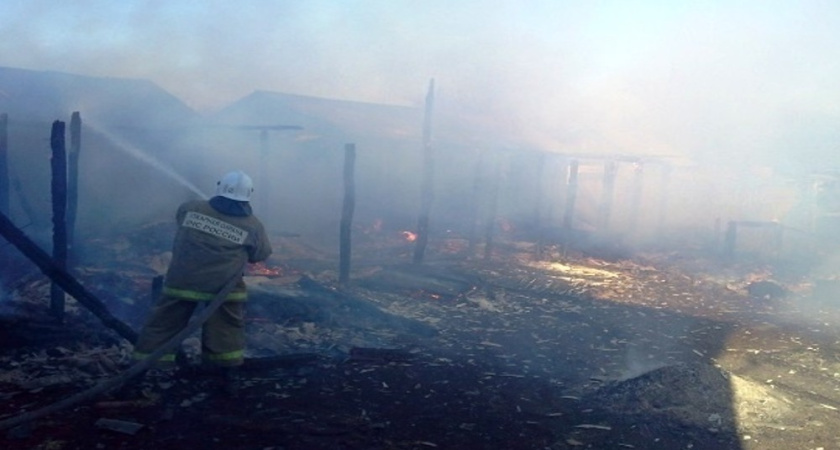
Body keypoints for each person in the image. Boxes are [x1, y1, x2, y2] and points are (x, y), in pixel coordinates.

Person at [132, 170, 272, 396]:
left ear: (219, 187)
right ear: (248, 194)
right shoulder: (252, 225)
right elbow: (260, 254)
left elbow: (181, 222)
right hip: (222, 290)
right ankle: (228, 379)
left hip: (181, 282)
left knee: (162, 325)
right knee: (226, 330)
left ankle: (138, 374)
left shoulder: (191, 208)